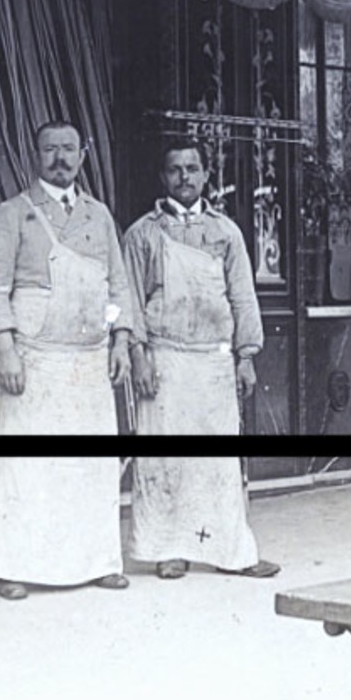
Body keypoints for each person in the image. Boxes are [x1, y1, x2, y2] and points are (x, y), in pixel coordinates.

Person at [0, 121, 135, 601]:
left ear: (82, 155)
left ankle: (98, 561)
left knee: (89, 466)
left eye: (68, 149)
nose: (59, 158)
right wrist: (6, 350)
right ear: (35, 155)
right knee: (29, 467)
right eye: (50, 149)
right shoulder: (12, 215)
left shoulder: (99, 216)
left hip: (88, 361)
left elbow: (118, 285)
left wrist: (121, 341)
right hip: (34, 361)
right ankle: (15, 566)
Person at [122, 139, 280, 580]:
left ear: (206, 175)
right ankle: (168, 549)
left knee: (218, 460)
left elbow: (243, 298)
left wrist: (245, 356)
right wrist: (139, 357)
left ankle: (232, 552)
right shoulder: (142, 234)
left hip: (213, 361)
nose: (185, 177)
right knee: (165, 457)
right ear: (162, 177)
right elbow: (130, 299)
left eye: (193, 168)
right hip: (165, 360)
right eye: (175, 170)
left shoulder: (226, 232)